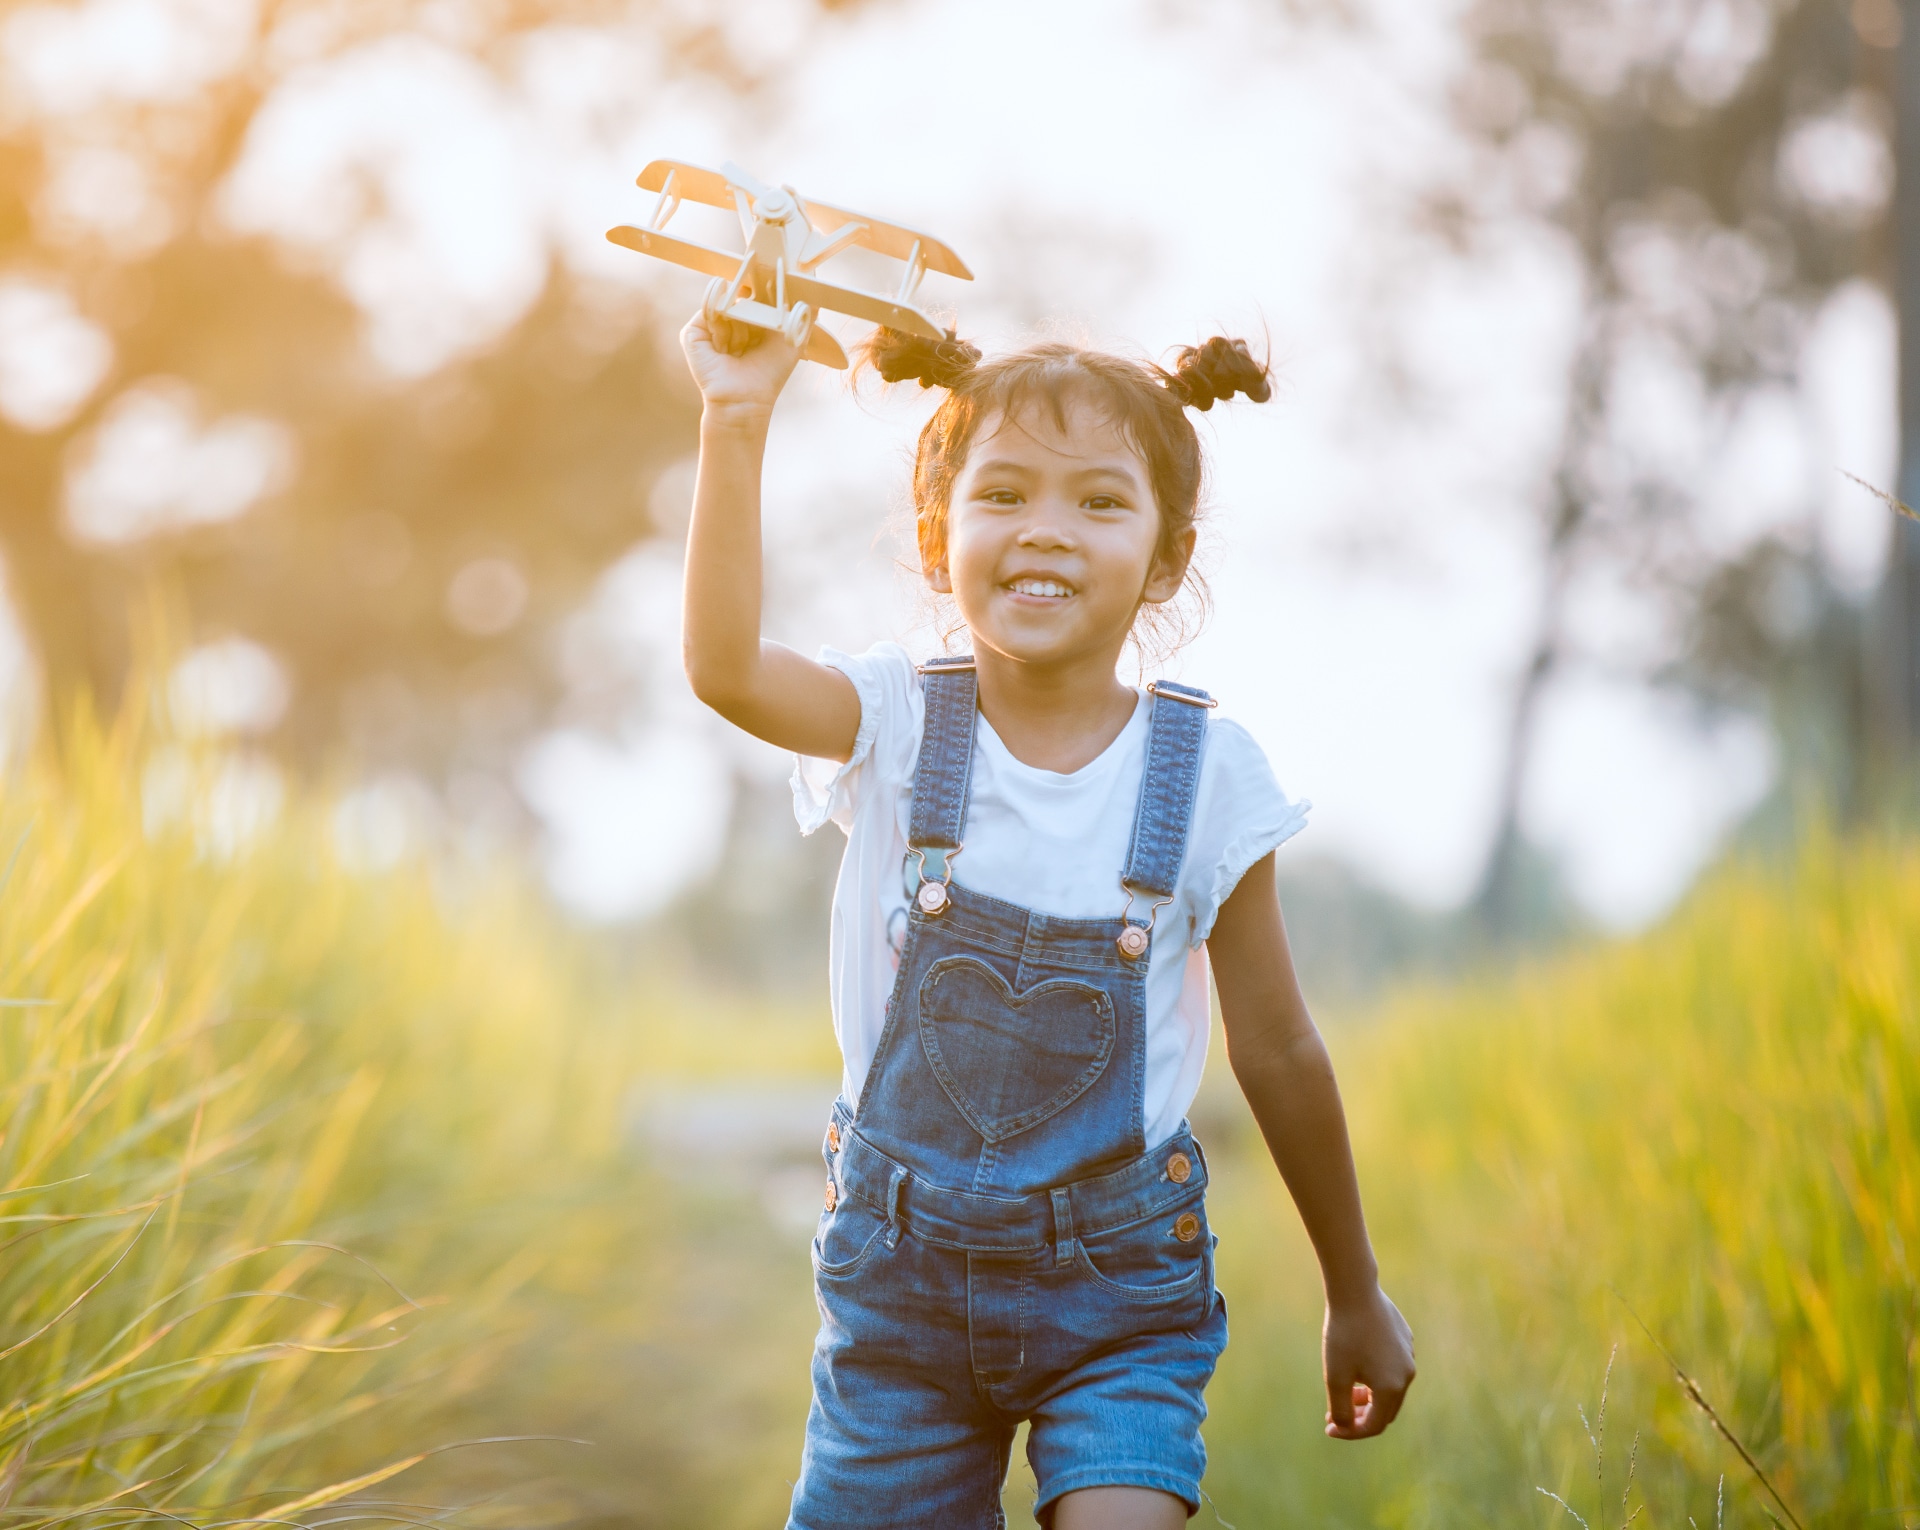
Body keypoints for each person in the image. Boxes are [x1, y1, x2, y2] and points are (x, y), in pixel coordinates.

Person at [678, 305, 1415, 1530]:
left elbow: (1278, 1047)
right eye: (1004, 493)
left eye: (1099, 504)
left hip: (1118, 1296)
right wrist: (735, 412)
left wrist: (1355, 1287)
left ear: (1168, 558)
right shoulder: (897, 725)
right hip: (897, 1301)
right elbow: (725, 669)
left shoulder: (1211, 778)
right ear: (936, 535)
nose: (1044, 532)